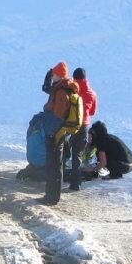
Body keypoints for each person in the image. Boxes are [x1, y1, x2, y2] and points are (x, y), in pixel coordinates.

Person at [40, 72, 83, 206]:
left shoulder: (61, 93)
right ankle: (51, 195)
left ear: (60, 75)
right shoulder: (62, 89)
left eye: (54, 75)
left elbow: (58, 116)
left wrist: (51, 134)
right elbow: (49, 91)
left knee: (54, 165)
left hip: (56, 134)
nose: (53, 77)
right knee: (55, 164)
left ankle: (52, 197)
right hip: (60, 132)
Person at [65, 67, 95, 190]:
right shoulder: (92, 93)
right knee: (77, 156)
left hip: (72, 125)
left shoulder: (72, 91)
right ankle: (75, 184)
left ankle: (59, 178)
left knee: (64, 150)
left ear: (75, 78)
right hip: (85, 126)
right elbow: (92, 112)